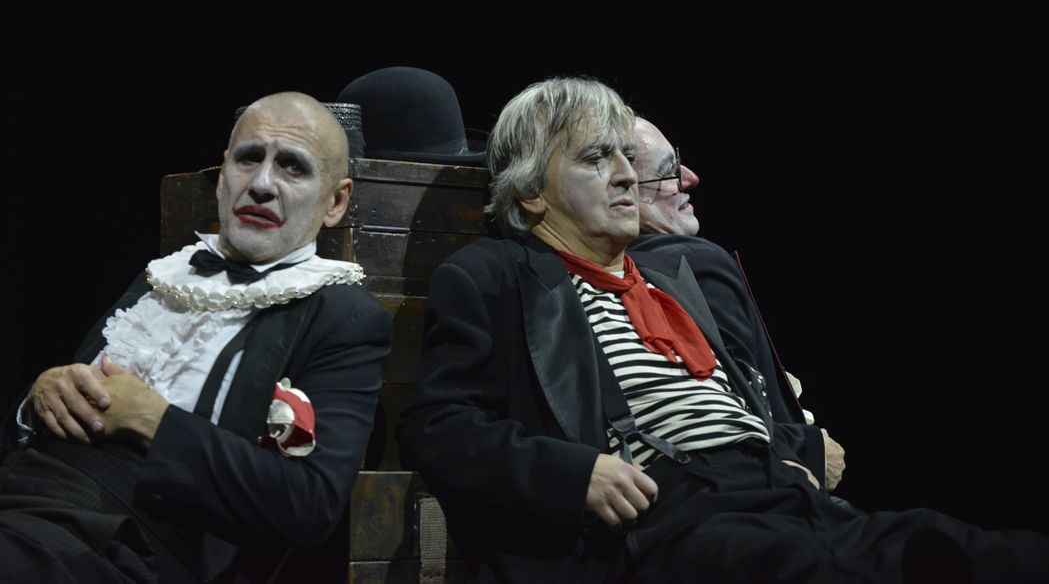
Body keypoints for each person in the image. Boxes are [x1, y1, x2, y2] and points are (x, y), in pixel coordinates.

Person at [396, 77, 1047, 583]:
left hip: (781, 498)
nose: (627, 174)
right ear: (532, 192)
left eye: (626, 155)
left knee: (990, 555)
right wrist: (572, 475)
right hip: (670, 521)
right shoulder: (496, 274)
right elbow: (439, 424)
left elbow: (754, 394)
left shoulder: (675, 276)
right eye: (597, 158)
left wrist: (794, 448)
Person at [0, 92, 392, 582]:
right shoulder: (165, 275)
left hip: (127, 539)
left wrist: (153, 422)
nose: (262, 185)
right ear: (222, 175)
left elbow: (310, 504)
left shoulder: (341, 316)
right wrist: (37, 399)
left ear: (335, 202)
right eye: (249, 158)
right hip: (24, 493)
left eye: (293, 167)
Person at [627, 117, 844, 491]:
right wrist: (808, 449)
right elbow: (738, 406)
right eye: (667, 172)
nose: (690, 178)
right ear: (620, 190)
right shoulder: (691, 262)